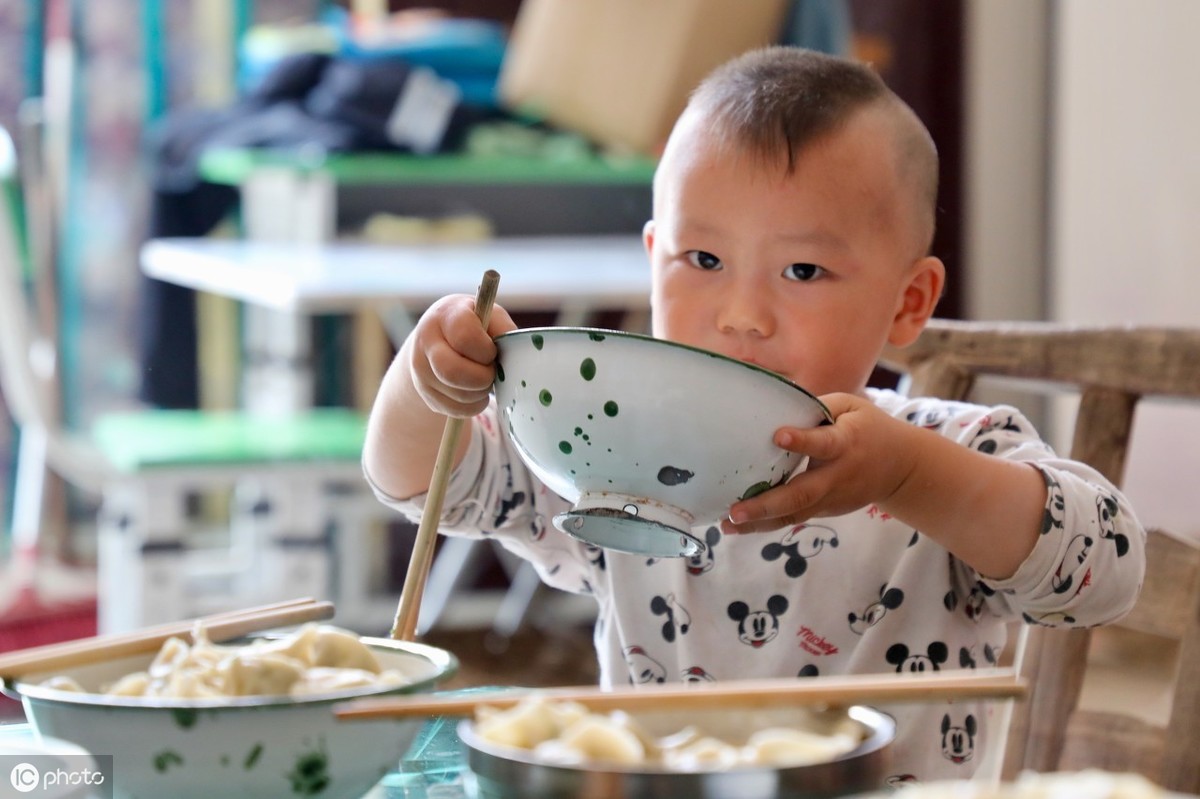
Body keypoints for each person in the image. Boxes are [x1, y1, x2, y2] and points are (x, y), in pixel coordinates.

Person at [362, 46, 1144, 784]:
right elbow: (424, 484)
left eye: (802, 269)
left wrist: (913, 475)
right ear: (653, 255)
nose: (741, 315)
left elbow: (1106, 570)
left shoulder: (949, 449)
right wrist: (428, 379)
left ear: (908, 302)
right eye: (702, 260)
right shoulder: (613, 461)